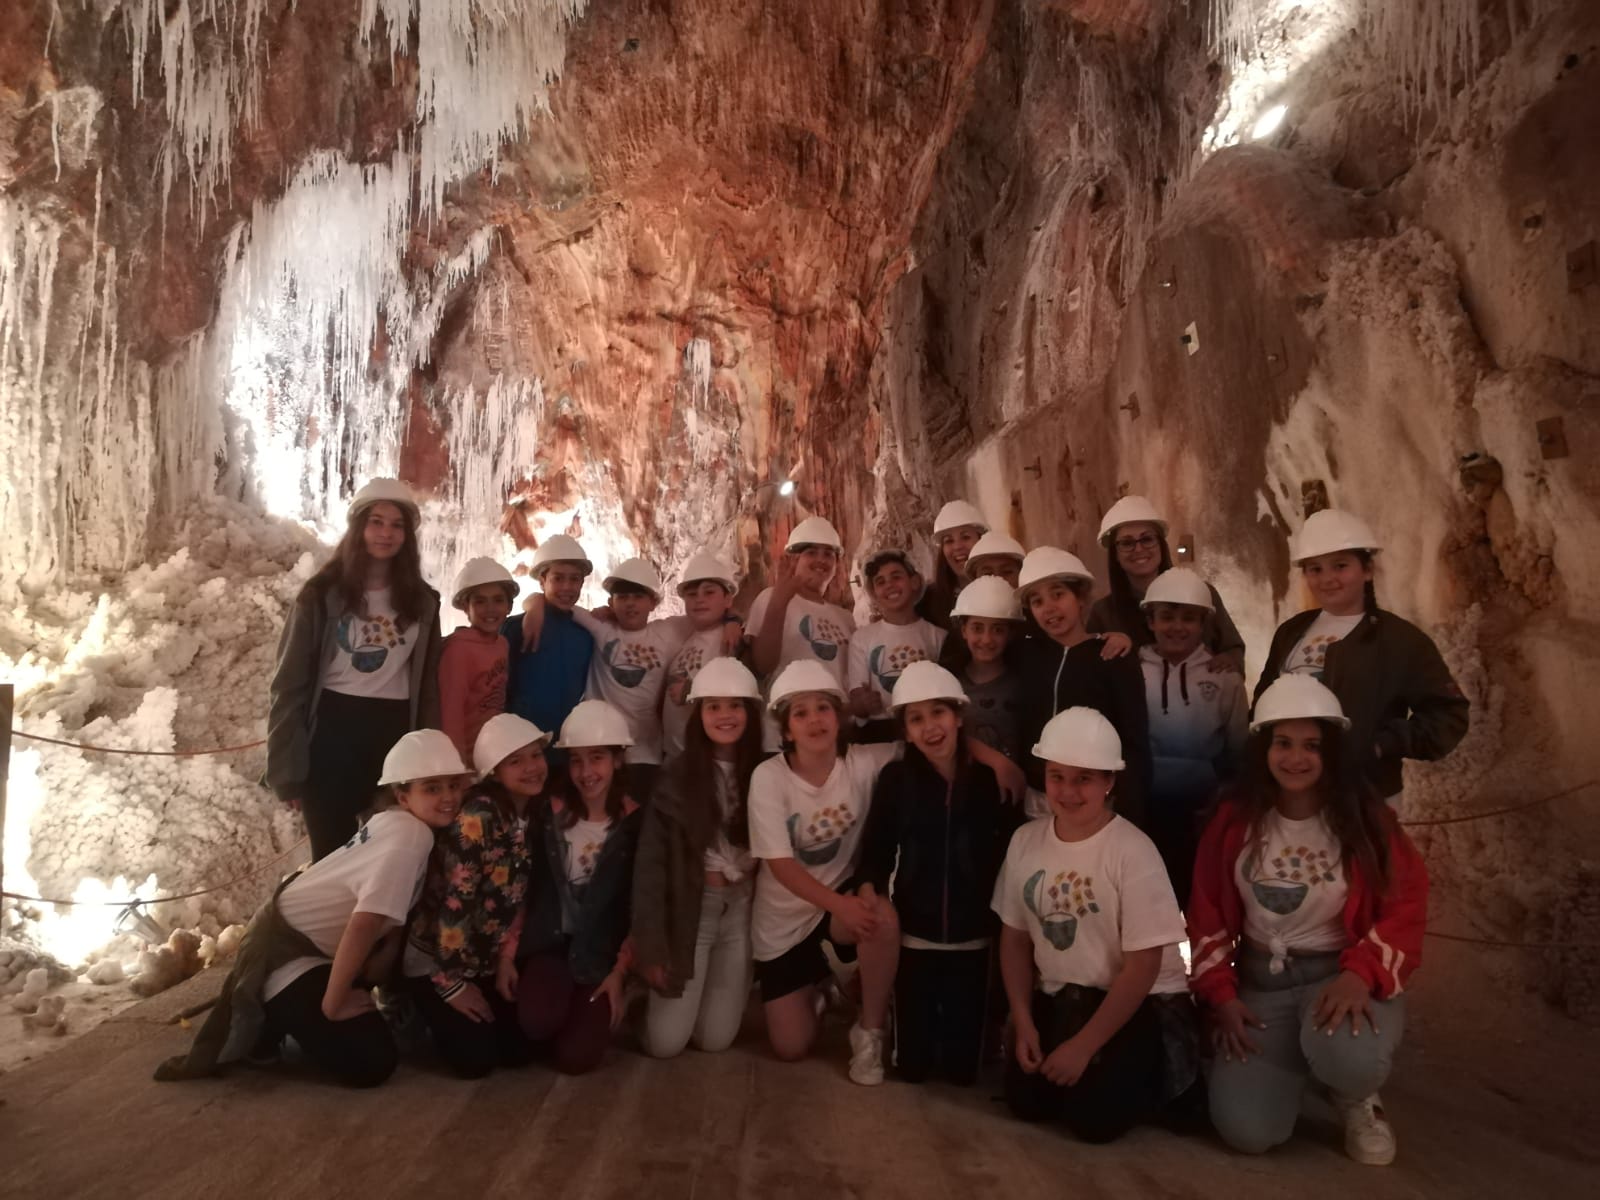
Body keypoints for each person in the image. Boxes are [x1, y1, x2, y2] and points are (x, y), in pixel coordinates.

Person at [1189, 675, 1428, 1165]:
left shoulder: (1365, 820)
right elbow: (1205, 911)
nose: (1295, 758)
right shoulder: (1235, 820)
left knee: (1350, 1060)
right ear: (1264, 749)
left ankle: (1355, 1096)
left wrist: (1360, 975)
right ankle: (1291, 1070)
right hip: (1263, 985)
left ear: (1330, 752)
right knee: (1246, 1131)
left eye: (1311, 746)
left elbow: (1406, 903)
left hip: (1336, 976)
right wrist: (1222, 996)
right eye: (1283, 743)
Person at [156, 730, 472, 1087]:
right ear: (403, 795)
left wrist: (372, 975)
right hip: (287, 954)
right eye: (432, 788)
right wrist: (333, 1003)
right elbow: (364, 923)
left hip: (309, 947)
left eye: (453, 785)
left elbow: (389, 916)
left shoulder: (395, 820)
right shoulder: (412, 837)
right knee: (371, 1062)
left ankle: (287, 1018)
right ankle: (270, 1015)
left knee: (366, 1040)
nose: (448, 797)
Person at [993, 708, 1192, 1143]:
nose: (1067, 791)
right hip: (1061, 994)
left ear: (1109, 782)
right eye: (1057, 776)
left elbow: (1143, 967)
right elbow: (1015, 939)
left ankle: (1157, 1076)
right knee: (1026, 1101)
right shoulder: (1025, 842)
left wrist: (1084, 1046)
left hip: (1132, 1002)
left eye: (1083, 778)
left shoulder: (1133, 852)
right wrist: (1022, 1020)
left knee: (1092, 1120)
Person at [857, 663, 1018, 1085]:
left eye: (938, 713)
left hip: (975, 942)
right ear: (906, 732)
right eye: (916, 719)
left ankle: (981, 1031)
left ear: (958, 717)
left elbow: (1013, 852)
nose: (930, 727)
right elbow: (877, 846)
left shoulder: (990, 781)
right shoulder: (896, 779)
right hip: (915, 939)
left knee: (962, 1074)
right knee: (913, 1069)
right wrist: (870, 887)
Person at [267, 478, 443, 860]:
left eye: (397, 525)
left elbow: (428, 686)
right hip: (333, 732)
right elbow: (289, 683)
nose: (386, 533)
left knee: (390, 854)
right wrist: (286, 769)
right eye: (376, 521)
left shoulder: (424, 602)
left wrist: (430, 759)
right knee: (331, 857)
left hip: (395, 732)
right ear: (359, 527)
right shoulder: (321, 595)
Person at [747, 660, 901, 1083]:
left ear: (839, 717)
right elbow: (780, 865)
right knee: (791, 1047)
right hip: (784, 920)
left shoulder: (864, 762)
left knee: (881, 919)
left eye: (823, 709)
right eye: (801, 713)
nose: (814, 720)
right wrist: (839, 905)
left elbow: (929, 741)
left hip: (838, 902)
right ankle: (822, 987)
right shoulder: (769, 777)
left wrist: (994, 760)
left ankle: (870, 1031)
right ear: (786, 730)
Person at [1253, 509, 1469, 809]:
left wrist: (1381, 745)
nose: (1327, 579)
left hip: (1365, 793)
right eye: (1315, 569)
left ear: (1367, 570)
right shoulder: (1291, 632)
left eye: (1340, 566)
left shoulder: (1400, 640)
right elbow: (1263, 702)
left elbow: (1448, 715)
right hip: (1291, 791)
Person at [633, 658, 766, 1058]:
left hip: (741, 910)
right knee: (665, 1044)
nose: (725, 715)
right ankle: (640, 1002)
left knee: (715, 1041)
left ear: (750, 712)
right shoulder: (676, 775)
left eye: (735, 705)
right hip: (693, 914)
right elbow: (650, 867)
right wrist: (651, 948)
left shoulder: (765, 771)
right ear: (699, 714)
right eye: (713, 706)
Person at [402, 714, 547, 1078]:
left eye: (536, 755)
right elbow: (456, 903)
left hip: (483, 959)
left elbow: (518, 896)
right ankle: (415, 1007)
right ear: (494, 772)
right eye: (515, 761)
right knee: (475, 1061)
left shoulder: (529, 813)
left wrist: (506, 959)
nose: (532, 767)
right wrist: (450, 984)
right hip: (437, 960)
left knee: (520, 1050)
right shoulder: (477, 819)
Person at [502, 700, 642, 1074]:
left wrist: (621, 972)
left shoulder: (634, 824)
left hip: (599, 955)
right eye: (576, 760)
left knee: (577, 1058)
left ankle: (580, 1011)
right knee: (536, 1024)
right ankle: (559, 1008)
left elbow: (640, 907)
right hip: (549, 946)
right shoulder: (548, 813)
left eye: (597, 758)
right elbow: (524, 889)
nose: (586, 772)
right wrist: (507, 955)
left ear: (618, 759)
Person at [524, 556, 728, 805]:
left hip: (645, 753)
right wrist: (534, 605)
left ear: (653, 602)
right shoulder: (601, 628)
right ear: (611, 603)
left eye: (638, 596)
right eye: (623, 597)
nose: (630, 604)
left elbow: (712, 612)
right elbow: (557, 601)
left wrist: (734, 622)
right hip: (600, 747)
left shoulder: (669, 632)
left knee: (638, 819)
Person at [1015, 547, 1149, 827]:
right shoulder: (1026, 654)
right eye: (1037, 601)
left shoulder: (1112, 657)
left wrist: (1129, 806)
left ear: (1081, 598)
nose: (1049, 607)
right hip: (1038, 798)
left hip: (1096, 799)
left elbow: (1134, 737)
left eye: (1058, 594)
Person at [1138, 567, 1248, 903]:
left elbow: (1239, 747)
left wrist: (1231, 799)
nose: (1177, 627)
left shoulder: (1225, 678)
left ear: (1203, 624)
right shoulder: (1131, 671)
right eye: (1167, 617)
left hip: (1205, 807)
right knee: (1151, 894)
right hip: (1145, 806)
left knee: (1201, 894)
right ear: (1151, 621)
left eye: (1188, 618)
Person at [1087, 495, 1246, 672]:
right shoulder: (1103, 613)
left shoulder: (1202, 594)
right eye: (1127, 543)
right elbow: (1090, 672)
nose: (1138, 549)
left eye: (1147, 539)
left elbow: (1233, 650)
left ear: (1161, 545)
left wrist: (1228, 662)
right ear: (1115, 554)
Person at [747, 516, 856, 751]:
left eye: (828, 554)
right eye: (811, 552)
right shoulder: (770, 598)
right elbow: (762, 664)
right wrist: (780, 602)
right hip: (784, 733)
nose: (821, 560)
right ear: (793, 558)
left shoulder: (845, 618)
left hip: (835, 731)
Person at [505, 534, 595, 757]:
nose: (567, 587)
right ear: (542, 581)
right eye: (558, 578)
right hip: (522, 747)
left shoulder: (586, 634)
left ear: (582, 583)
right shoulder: (517, 628)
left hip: (566, 746)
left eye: (574, 579)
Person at [848, 549, 947, 743]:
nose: (889, 585)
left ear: (914, 582)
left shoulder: (937, 636)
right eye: (880, 582)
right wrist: (863, 704)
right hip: (880, 733)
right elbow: (857, 696)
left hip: (927, 730)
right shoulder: (862, 639)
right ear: (873, 593)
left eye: (896, 577)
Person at [662, 551, 744, 760]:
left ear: (728, 599)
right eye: (692, 594)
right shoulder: (685, 634)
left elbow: (739, 692)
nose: (699, 599)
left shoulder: (730, 638)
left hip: (709, 758)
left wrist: (692, 690)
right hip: (675, 755)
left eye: (709, 592)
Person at [939, 575, 1027, 764]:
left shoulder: (1023, 683)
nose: (986, 639)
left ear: (1010, 634)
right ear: (964, 631)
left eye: (997, 630)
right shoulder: (948, 684)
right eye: (977, 628)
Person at [438, 557, 517, 759]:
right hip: (466, 756)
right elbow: (451, 712)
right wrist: (457, 764)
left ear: (509, 606)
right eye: (480, 601)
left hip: (493, 753)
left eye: (498, 600)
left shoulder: (502, 644)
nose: (490, 609)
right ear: (466, 607)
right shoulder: (458, 649)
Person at [916, 500, 988, 629]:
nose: (957, 547)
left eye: (965, 537)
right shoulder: (928, 601)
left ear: (981, 540)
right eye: (949, 541)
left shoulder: (1003, 590)